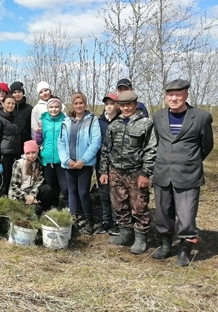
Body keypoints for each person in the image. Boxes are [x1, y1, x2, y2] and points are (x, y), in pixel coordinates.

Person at [151, 79, 214, 266]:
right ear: (165, 96)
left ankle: (184, 250)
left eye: (178, 94)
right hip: (162, 172)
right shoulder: (158, 116)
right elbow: (157, 142)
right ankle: (165, 244)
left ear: (186, 95)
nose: (174, 98)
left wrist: (190, 160)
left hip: (188, 174)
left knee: (186, 215)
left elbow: (207, 145)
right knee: (163, 213)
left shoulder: (201, 117)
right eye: (170, 95)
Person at [99, 91, 157, 254]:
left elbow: (151, 149)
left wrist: (145, 173)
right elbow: (106, 149)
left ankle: (140, 237)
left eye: (129, 105)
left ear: (135, 105)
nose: (125, 108)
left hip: (136, 172)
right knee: (119, 204)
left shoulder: (146, 124)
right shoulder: (114, 125)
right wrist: (104, 171)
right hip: (116, 171)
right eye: (123, 105)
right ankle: (125, 233)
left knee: (139, 206)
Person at [57, 92, 101, 235]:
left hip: (84, 165)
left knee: (83, 192)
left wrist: (83, 160)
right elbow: (61, 142)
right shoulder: (66, 122)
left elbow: (96, 142)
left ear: (85, 104)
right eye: (76, 103)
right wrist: (67, 160)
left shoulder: (92, 120)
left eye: (81, 103)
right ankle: (73, 220)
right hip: (69, 164)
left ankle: (89, 221)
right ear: (72, 105)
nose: (78, 106)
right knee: (72, 192)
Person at [95, 93, 121, 235]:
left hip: (117, 164)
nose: (109, 106)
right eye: (107, 103)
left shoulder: (122, 121)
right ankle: (106, 221)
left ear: (117, 105)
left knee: (116, 193)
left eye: (112, 103)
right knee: (104, 192)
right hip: (101, 163)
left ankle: (117, 222)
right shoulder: (99, 122)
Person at [36, 97, 67, 209]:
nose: (54, 109)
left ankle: (60, 205)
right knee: (49, 184)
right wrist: (38, 134)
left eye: (56, 107)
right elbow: (39, 141)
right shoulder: (43, 120)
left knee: (62, 185)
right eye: (51, 107)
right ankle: (49, 207)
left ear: (60, 107)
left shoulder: (65, 121)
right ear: (48, 108)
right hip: (47, 158)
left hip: (61, 158)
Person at [9, 140, 54, 216]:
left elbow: (39, 182)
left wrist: (32, 195)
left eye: (33, 152)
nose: (31, 155)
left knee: (47, 189)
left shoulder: (38, 163)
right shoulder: (19, 164)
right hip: (19, 195)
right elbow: (14, 187)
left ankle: (44, 211)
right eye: (28, 153)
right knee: (37, 209)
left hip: (32, 191)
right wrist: (27, 197)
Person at [0, 95, 22, 197]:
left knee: (12, 182)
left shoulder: (15, 118)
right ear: (2, 104)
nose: (10, 105)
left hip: (15, 155)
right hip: (3, 156)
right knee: (1, 184)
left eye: (12, 103)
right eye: (8, 103)